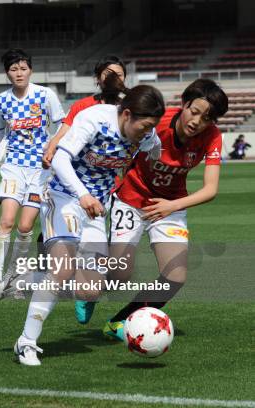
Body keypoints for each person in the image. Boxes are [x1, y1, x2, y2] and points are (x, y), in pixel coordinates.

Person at [13, 85, 165, 366]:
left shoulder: (147, 135)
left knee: (90, 291)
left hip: (96, 209)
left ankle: (24, 280)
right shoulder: (95, 119)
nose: (148, 132)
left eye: (152, 126)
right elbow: (59, 158)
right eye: (145, 125)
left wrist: (155, 154)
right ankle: (27, 342)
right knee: (62, 269)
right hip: (63, 196)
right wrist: (82, 194)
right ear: (127, 114)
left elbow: (155, 149)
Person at [102, 78, 228, 341]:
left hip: (171, 205)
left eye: (206, 118)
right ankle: (89, 286)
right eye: (194, 112)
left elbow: (210, 189)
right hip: (132, 199)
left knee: (176, 276)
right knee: (120, 274)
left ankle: (121, 322)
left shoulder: (212, 136)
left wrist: (172, 206)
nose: (197, 122)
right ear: (184, 104)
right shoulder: (158, 123)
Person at [0, 48, 65, 292]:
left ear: (31, 70)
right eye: (14, 69)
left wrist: (53, 147)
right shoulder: (1, 101)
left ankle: (15, 270)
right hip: (14, 167)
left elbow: (62, 124)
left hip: (41, 170)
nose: (19, 73)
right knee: (7, 220)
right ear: (7, 73)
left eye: (23, 68)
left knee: (26, 226)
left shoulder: (45, 95)